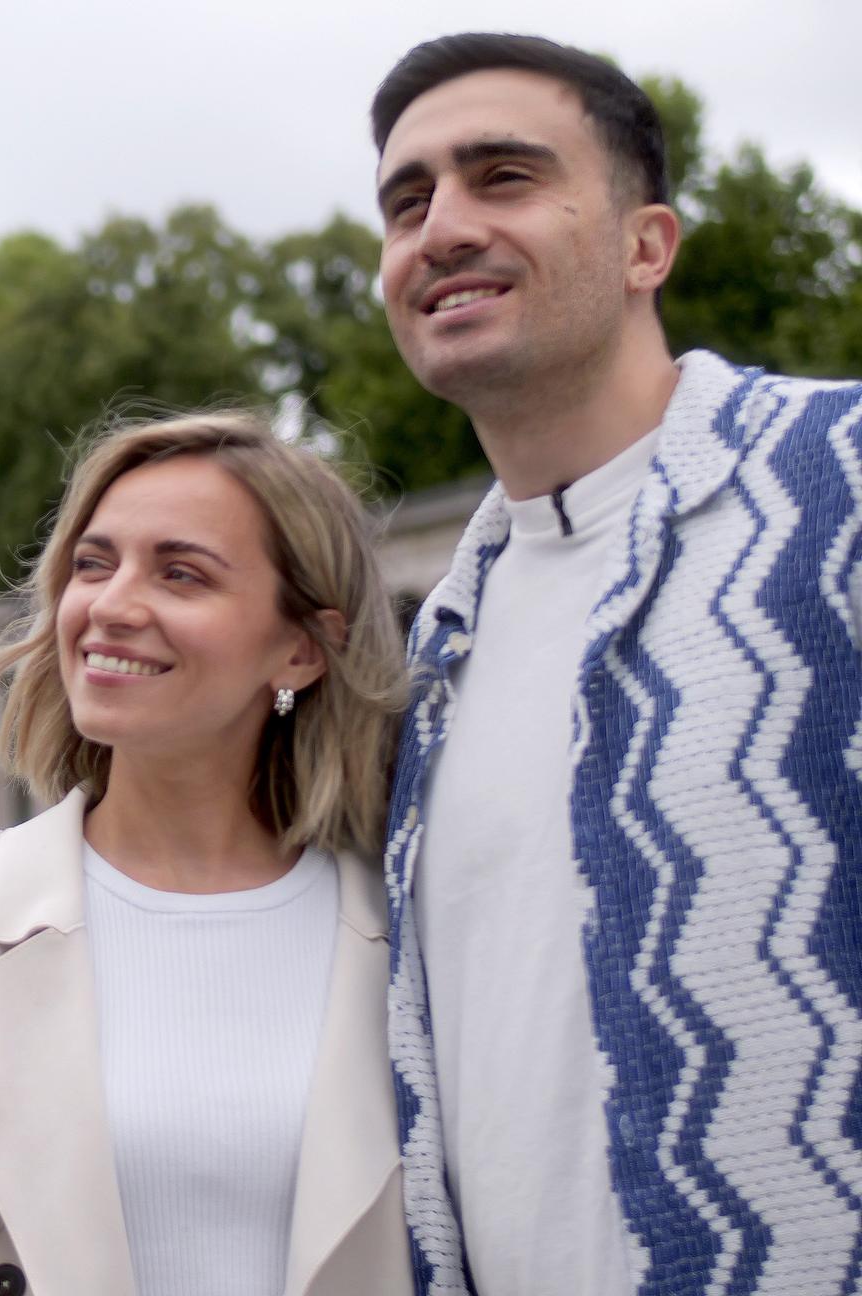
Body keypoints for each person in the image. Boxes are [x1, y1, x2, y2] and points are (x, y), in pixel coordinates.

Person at [371, 32, 862, 1296]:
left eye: (505, 178)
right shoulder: (437, 647)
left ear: (649, 246)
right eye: (407, 200)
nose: (442, 228)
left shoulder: (842, 478)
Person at [0, 412, 414, 1296]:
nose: (109, 605)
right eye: (92, 564)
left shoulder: (408, 934)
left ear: (301, 650)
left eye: (181, 573)